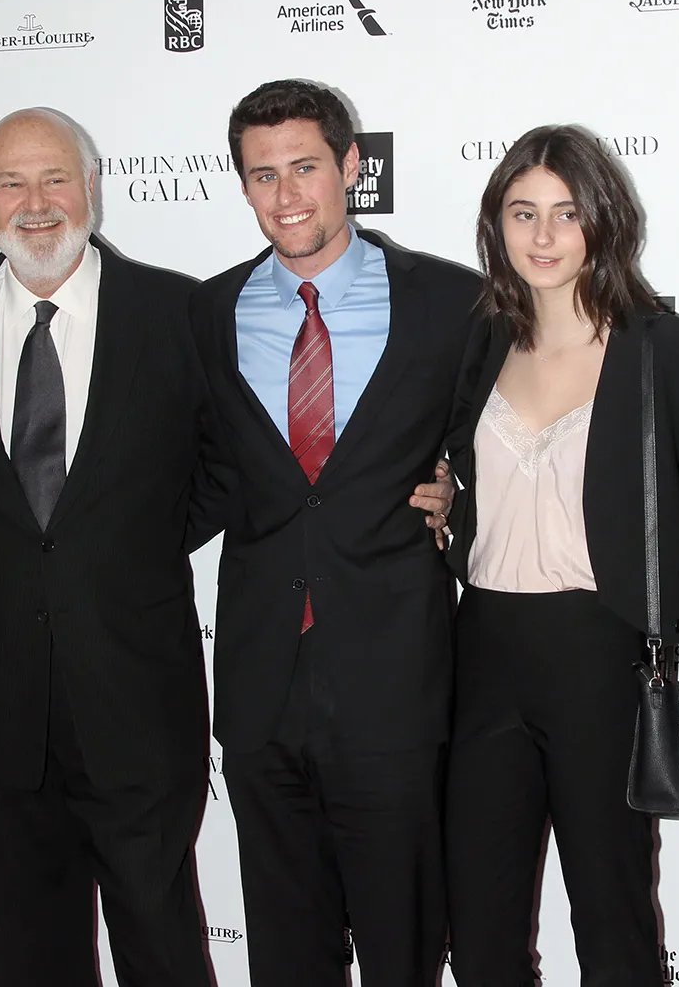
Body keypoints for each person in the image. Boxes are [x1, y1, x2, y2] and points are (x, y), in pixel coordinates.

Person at [0, 108, 211, 987]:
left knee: (165, 948)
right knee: (28, 955)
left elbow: (232, 469)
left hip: (139, 700)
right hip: (0, 710)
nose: (35, 204)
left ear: (93, 187)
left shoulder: (180, 313)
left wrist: (128, 542)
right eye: (10, 183)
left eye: (54, 178)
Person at [187, 79, 480, 986]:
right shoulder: (201, 315)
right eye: (262, 175)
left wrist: (456, 494)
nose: (286, 196)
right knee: (284, 953)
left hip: (394, 679)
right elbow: (187, 477)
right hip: (259, 686)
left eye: (306, 167)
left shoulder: (451, 303)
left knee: (403, 946)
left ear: (352, 166)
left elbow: (511, 449)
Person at [440, 125, 679, 985]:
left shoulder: (665, 349)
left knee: (613, 915)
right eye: (523, 213)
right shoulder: (476, 341)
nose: (544, 237)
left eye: (566, 213)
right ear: (497, 225)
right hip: (482, 650)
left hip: (604, 653)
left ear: (605, 220)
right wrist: (443, 504)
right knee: (479, 925)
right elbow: (457, 481)